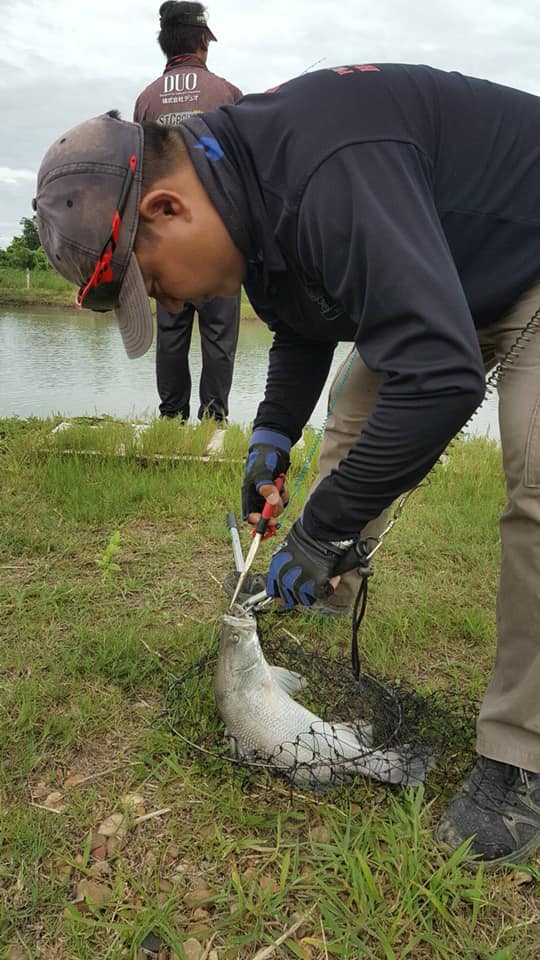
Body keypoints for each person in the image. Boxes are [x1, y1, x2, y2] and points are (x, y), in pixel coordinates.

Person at [33, 62, 540, 869]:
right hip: (447, 272)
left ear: (167, 209)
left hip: (526, 244)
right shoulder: (239, 182)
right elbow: (306, 317)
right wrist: (273, 433)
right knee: (346, 445)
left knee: (535, 490)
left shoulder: (326, 170)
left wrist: (320, 528)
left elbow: (440, 379)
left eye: (155, 285)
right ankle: (313, 619)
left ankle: (521, 761)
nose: (169, 308)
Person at [134, 1, 242, 422]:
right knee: (218, 337)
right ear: (202, 41)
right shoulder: (228, 94)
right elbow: (243, 169)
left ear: (166, 43)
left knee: (171, 333)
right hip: (217, 241)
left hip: (164, 243)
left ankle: (170, 419)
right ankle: (213, 423)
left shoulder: (145, 101)